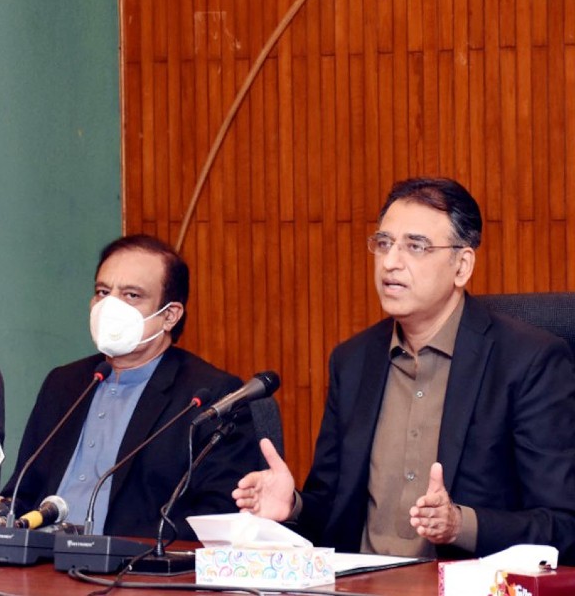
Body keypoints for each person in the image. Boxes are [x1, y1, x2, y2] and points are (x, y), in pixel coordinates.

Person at [233, 177, 575, 564]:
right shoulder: (353, 360)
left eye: (415, 246)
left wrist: (459, 524)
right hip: (357, 586)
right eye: (384, 244)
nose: (391, 262)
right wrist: (292, 506)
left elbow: (562, 526)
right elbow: (333, 513)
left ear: (461, 266)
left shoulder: (527, 360)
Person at [3, 234, 262, 539]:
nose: (110, 305)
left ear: (169, 315)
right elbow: (23, 490)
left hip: (130, 570)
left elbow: (218, 515)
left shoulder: (209, 395)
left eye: (131, 295)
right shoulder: (64, 384)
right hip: (37, 566)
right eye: (103, 292)